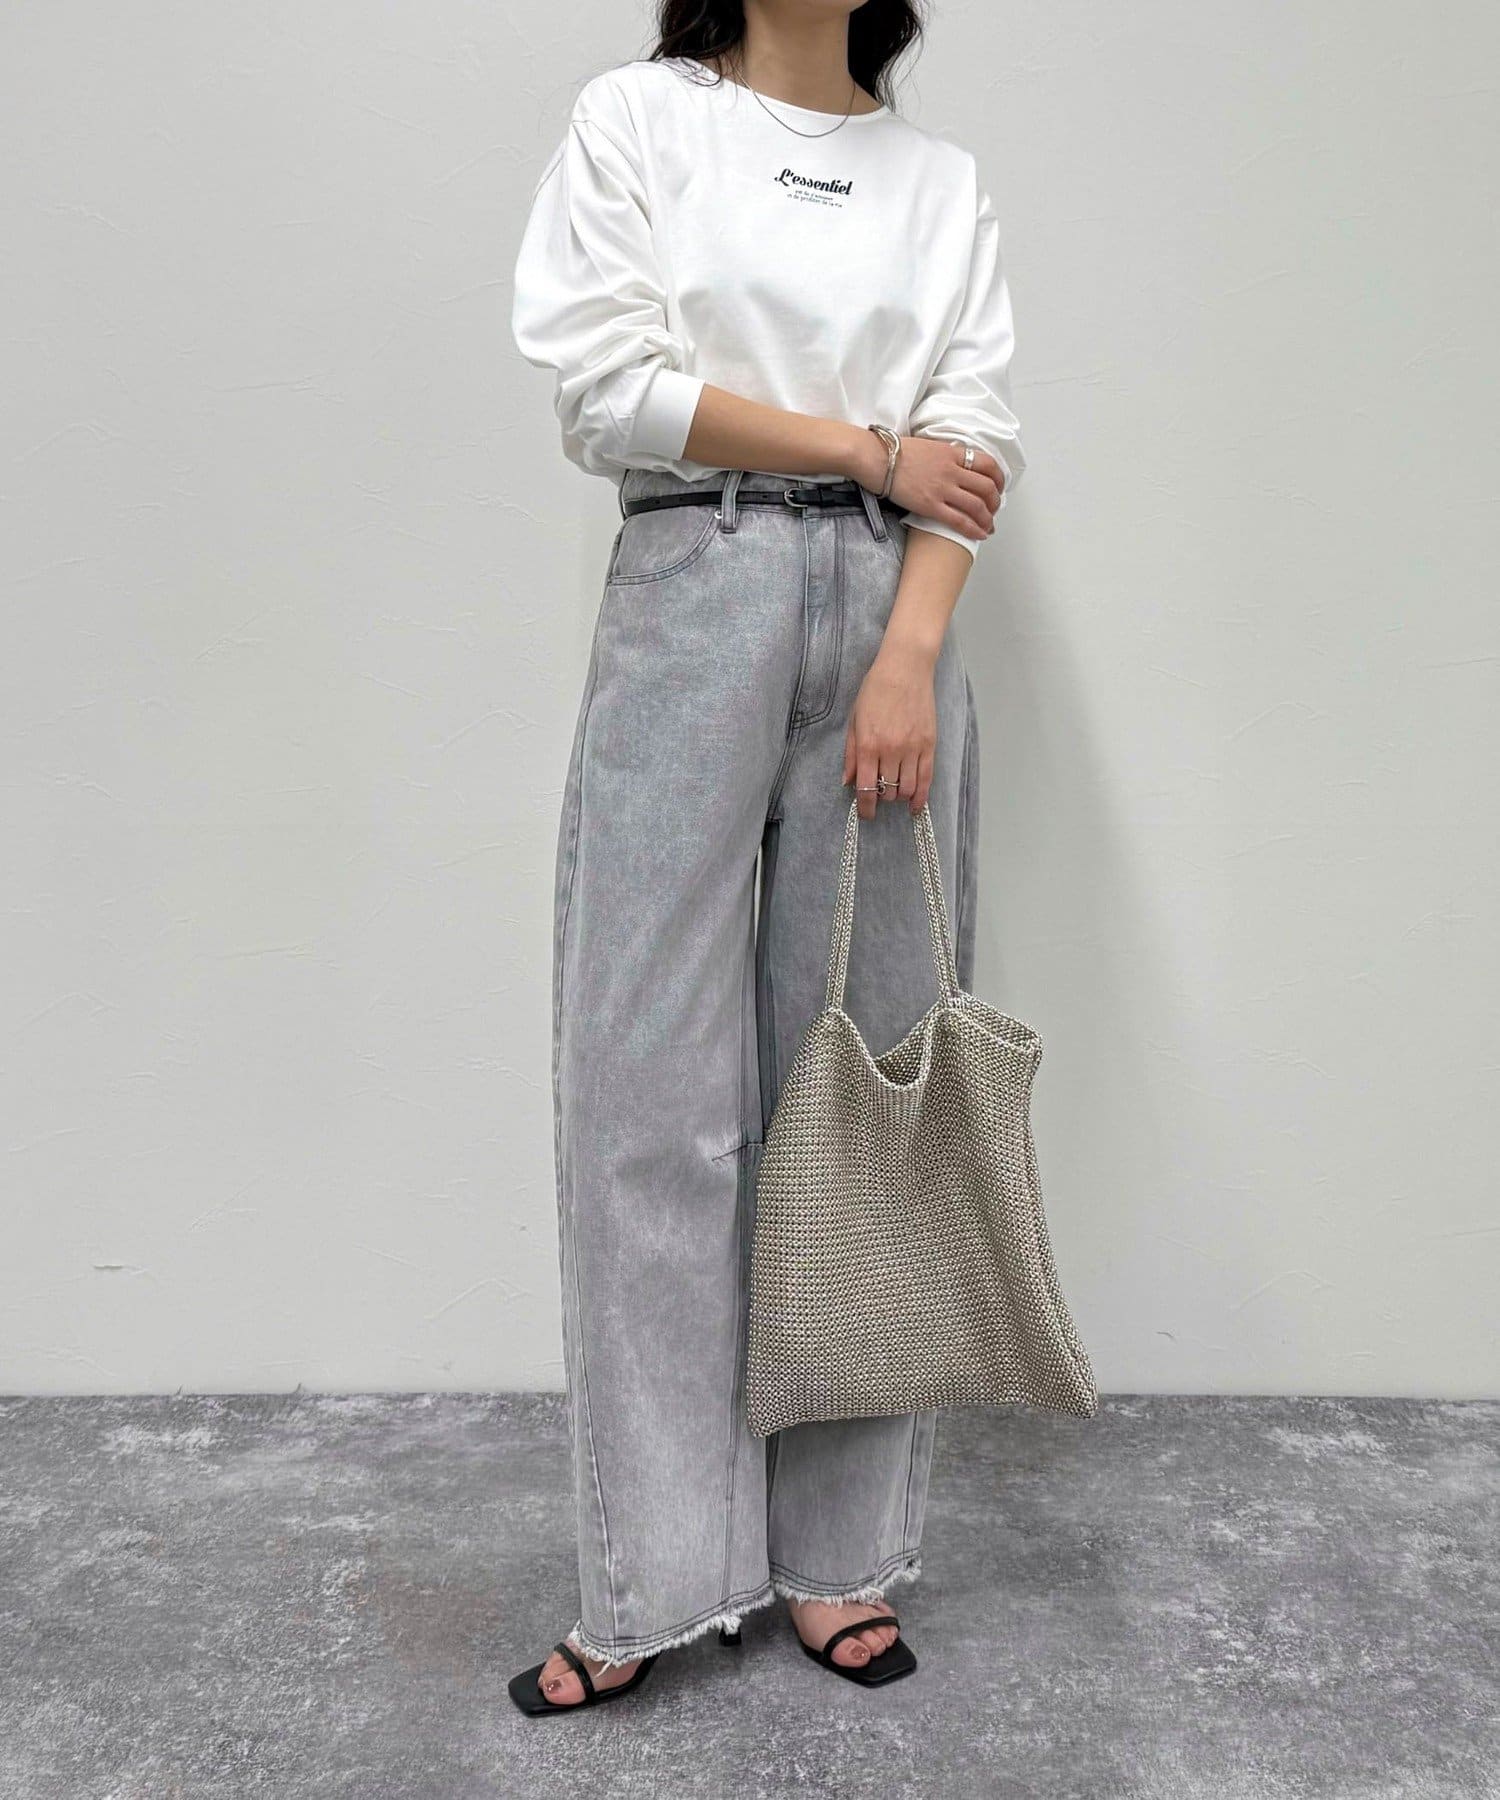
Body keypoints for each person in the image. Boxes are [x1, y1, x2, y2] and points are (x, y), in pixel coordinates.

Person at [507, 0, 1026, 1713]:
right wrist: (866, 449)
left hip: (891, 616)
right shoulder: (640, 121)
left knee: (862, 1094)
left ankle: (839, 1557)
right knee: (642, 1089)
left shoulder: (939, 180)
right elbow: (611, 390)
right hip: (694, 588)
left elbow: (975, 436)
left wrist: (909, 651)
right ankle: (656, 1574)